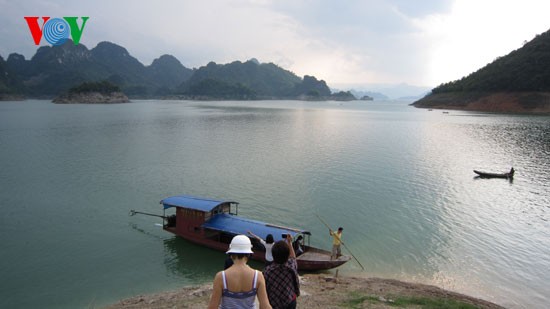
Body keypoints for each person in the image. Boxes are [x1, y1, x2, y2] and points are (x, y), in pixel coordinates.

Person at [208, 235, 272, 309]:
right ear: (249, 255)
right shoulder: (258, 276)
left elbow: (212, 307)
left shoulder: (221, 277)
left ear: (231, 255)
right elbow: (265, 306)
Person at [263, 234, 300, 309]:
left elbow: (265, 288)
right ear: (287, 256)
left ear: (273, 256)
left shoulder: (268, 271)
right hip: (290, 301)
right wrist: (289, 243)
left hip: (274, 303)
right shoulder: (291, 266)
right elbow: (293, 258)